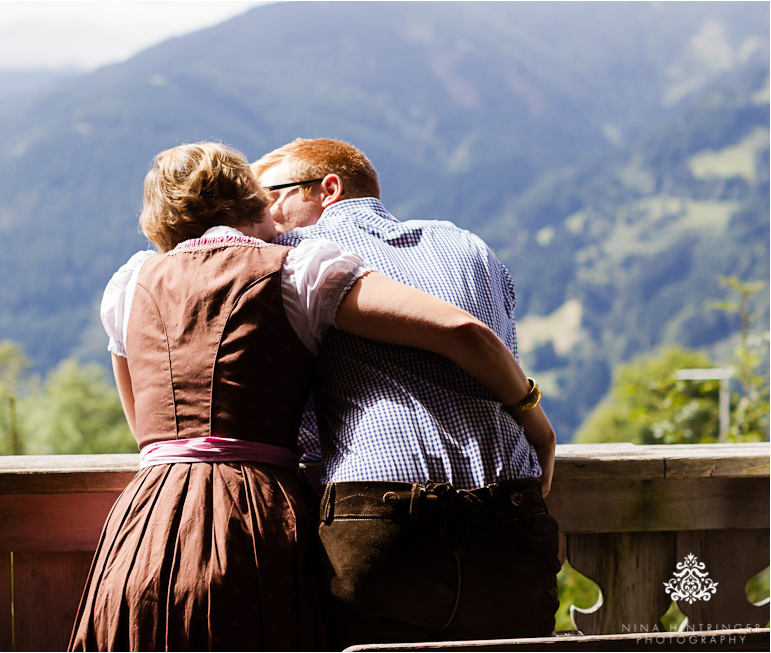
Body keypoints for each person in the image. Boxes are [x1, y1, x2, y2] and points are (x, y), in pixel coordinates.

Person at [69, 141, 547, 652]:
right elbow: (459, 329)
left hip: (150, 519)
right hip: (254, 515)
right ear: (251, 200)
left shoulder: (128, 284)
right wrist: (535, 425)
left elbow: (145, 430)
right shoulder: (298, 269)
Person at [251, 138, 560, 647]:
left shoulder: (295, 258)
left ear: (329, 188)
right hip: (513, 514)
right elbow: (501, 347)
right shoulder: (466, 243)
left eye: (272, 198)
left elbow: (291, 417)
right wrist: (535, 423)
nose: (266, 218)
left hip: (384, 521)